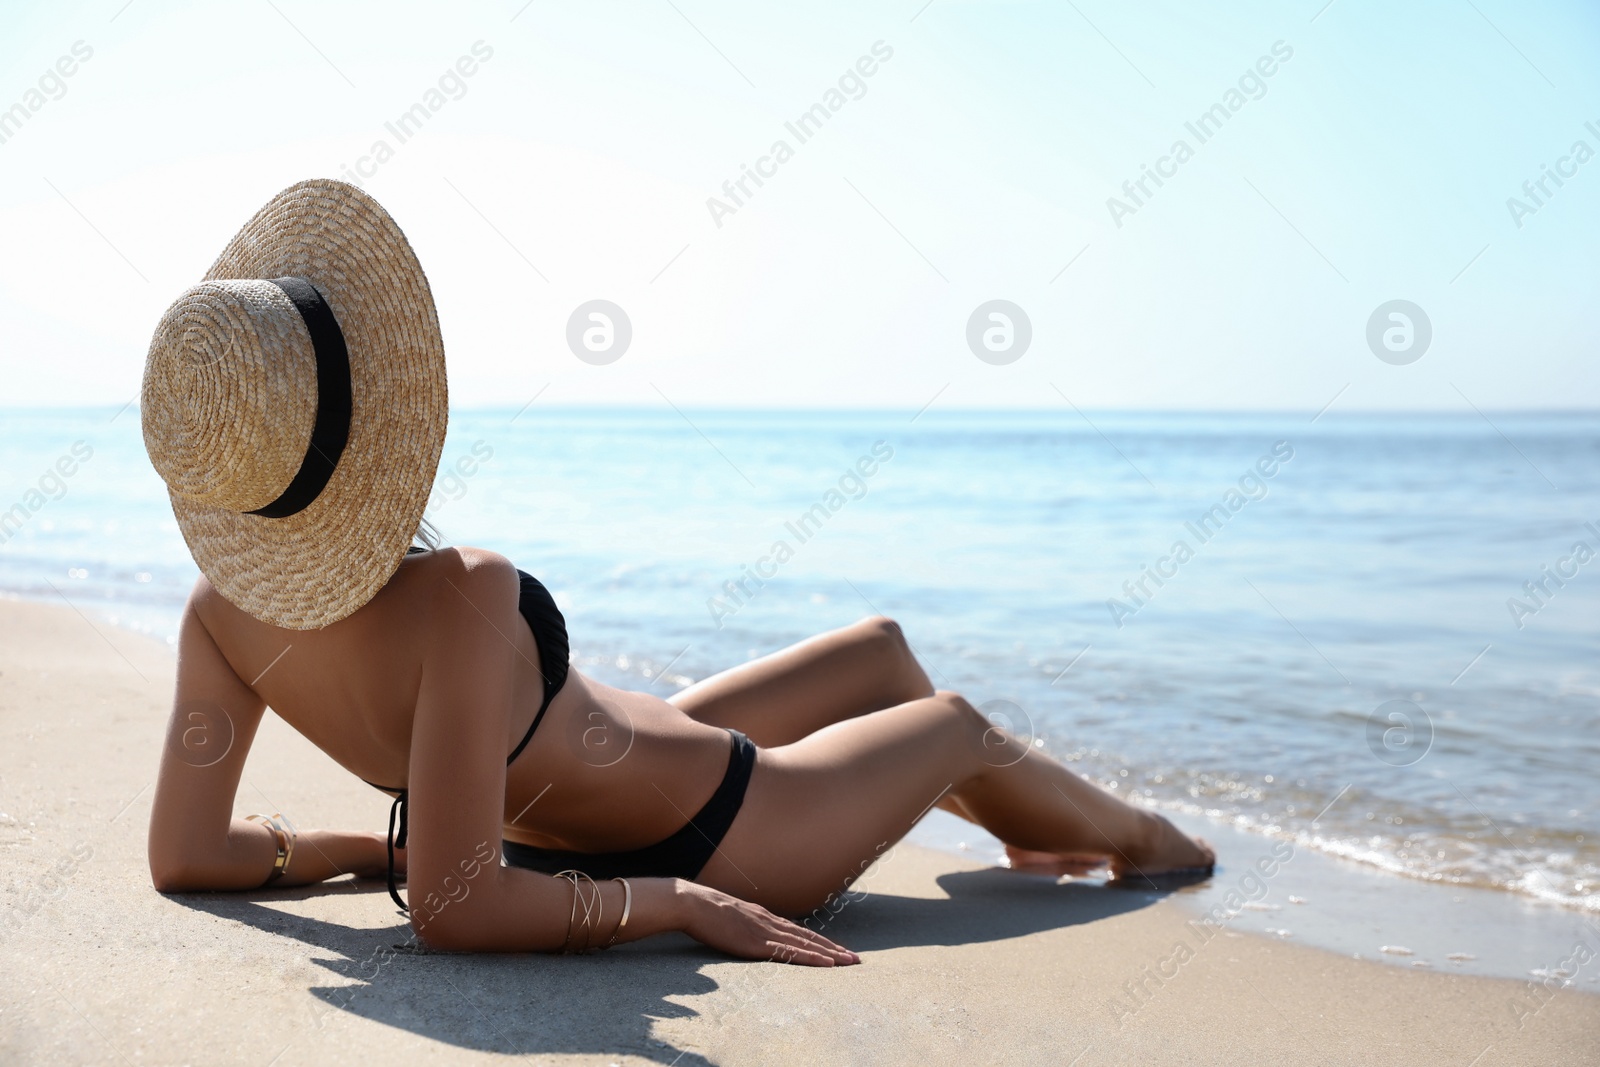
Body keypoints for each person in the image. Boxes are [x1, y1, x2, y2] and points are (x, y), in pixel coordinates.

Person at [142, 180, 1214, 967]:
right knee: (954, 722)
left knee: (878, 647)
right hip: (725, 834)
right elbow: (453, 910)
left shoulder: (218, 618)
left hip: (592, 780)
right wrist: (668, 903)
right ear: (376, 413)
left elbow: (187, 854)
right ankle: (1145, 841)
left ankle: (1016, 816)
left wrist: (367, 851)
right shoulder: (463, 590)